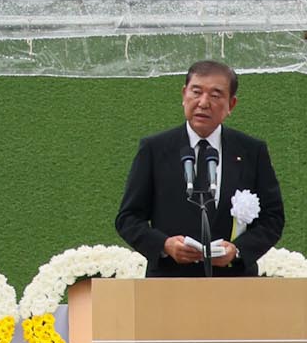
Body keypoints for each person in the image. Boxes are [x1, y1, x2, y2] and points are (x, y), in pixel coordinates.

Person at [115, 59, 284, 277]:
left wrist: (237, 250)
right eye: (196, 92)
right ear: (184, 95)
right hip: (170, 283)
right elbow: (128, 218)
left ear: (231, 104)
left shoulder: (252, 151)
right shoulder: (155, 149)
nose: (203, 103)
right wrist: (165, 245)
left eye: (215, 95)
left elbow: (273, 218)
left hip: (234, 284)